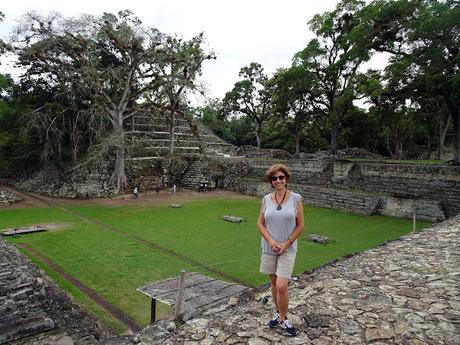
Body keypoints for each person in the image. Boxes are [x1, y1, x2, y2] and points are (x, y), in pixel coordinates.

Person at [256, 164, 304, 337]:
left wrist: (286, 243)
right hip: (269, 247)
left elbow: (301, 225)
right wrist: (270, 240)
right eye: (274, 178)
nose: (278, 181)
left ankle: (283, 318)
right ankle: (278, 312)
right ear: (271, 181)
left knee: (282, 285)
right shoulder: (266, 199)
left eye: (281, 177)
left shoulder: (296, 198)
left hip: (287, 248)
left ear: (286, 179)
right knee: (274, 284)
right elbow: (260, 223)